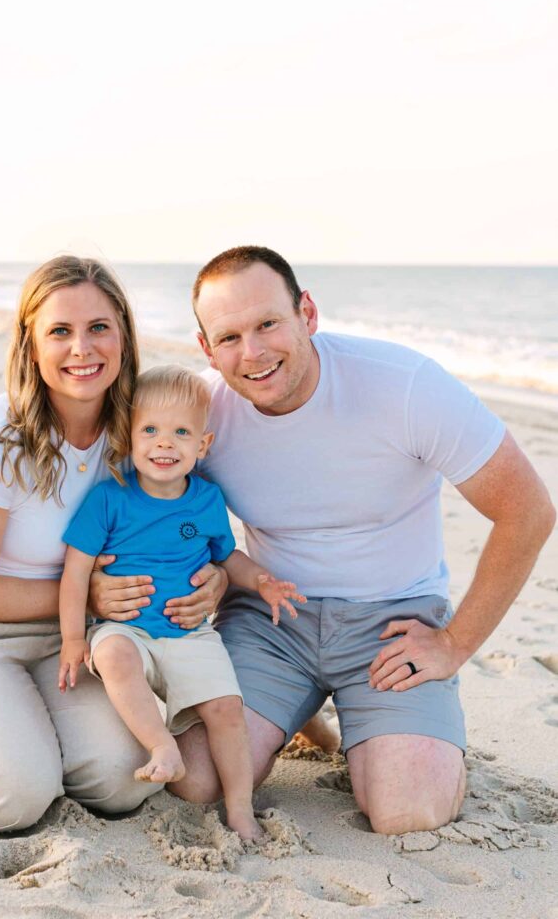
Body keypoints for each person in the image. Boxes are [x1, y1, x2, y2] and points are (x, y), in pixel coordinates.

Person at [169, 245, 556, 835]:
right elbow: (163, 515)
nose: (252, 352)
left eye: (268, 323)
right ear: (206, 348)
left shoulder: (404, 386)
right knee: (198, 782)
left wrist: (454, 643)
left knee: (408, 812)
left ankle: (387, 729)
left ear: (308, 314)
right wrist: (218, 575)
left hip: (392, 622)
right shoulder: (199, 415)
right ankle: (299, 711)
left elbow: (527, 511)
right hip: (272, 622)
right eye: (229, 337)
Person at [0, 256, 226, 830]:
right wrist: (86, 596)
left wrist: (214, 576)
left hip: (75, 642)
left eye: (98, 328)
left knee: (120, 782)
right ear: (31, 345)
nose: (82, 349)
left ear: (123, 336)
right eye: (59, 331)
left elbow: (188, 516)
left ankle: (20, 739)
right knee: (13, 797)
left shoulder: (140, 430)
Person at [57, 365, 304, 840]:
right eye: (150, 430)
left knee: (228, 709)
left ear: (202, 446)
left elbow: (227, 556)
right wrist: (72, 638)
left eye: (180, 433)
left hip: (189, 632)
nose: (164, 444)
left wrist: (262, 581)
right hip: (126, 627)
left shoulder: (207, 500)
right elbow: (75, 574)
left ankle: (240, 809)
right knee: (111, 654)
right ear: (129, 436)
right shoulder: (109, 499)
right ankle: (161, 746)